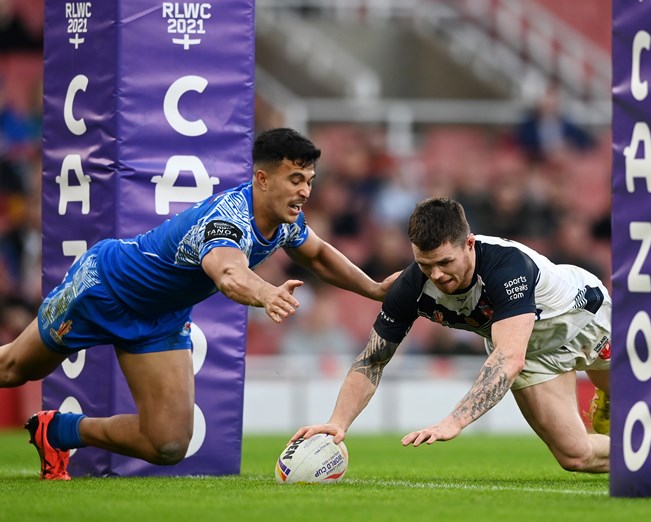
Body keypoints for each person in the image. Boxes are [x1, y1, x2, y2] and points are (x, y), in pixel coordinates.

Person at [0, 127, 397, 480]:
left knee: (168, 443)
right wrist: (266, 293)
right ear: (262, 178)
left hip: (159, 319)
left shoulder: (285, 221)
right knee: (15, 368)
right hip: (102, 290)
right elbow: (228, 274)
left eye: (309, 180)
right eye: (295, 179)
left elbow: (318, 254)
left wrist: (374, 288)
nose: (305, 191)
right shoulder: (225, 221)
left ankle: (57, 432)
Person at [292, 197, 611, 473]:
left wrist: (454, 421)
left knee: (630, 405)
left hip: (585, 319)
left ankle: (616, 404)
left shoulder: (506, 266)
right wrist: (338, 422)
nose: (437, 275)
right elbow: (373, 360)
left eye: (445, 262)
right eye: (425, 265)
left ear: (469, 244)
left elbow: (508, 359)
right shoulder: (412, 285)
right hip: (532, 352)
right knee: (575, 457)